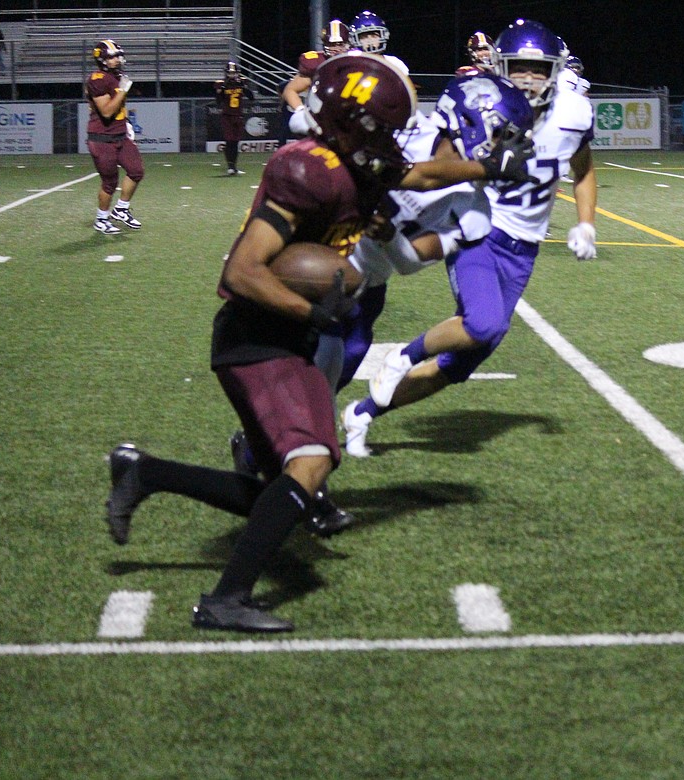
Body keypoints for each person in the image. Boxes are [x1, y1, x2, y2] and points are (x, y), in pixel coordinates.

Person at [104, 52, 536, 633]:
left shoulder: (351, 159)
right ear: (356, 125)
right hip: (260, 335)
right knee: (311, 461)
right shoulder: (307, 169)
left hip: (280, 335)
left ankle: (146, 474)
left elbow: (419, 176)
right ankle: (225, 599)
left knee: (280, 486)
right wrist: (314, 311)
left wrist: (487, 170)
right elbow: (242, 272)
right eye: (383, 129)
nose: (392, 142)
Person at [342, 19, 598, 455]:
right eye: (519, 67)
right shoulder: (481, 103)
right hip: (479, 228)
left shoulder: (574, 112)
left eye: (539, 69)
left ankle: (362, 413)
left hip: (525, 248)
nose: (529, 78)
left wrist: (586, 221)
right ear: (500, 65)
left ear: (558, 70)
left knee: (459, 363)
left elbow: (584, 168)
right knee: (483, 322)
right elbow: (434, 165)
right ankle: (400, 358)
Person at [85, 40, 144, 235]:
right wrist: (124, 89)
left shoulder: (115, 76)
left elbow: (118, 109)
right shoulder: (97, 79)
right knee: (109, 183)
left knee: (136, 171)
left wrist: (126, 124)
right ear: (102, 60)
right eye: (113, 56)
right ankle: (101, 219)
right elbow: (107, 111)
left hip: (120, 135)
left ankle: (121, 209)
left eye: (119, 55)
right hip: (102, 138)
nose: (118, 59)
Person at [282, 19, 349, 137]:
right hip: (323, 120)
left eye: (340, 44)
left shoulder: (356, 60)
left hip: (350, 119)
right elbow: (289, 90)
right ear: (325, 44)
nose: (337, 49)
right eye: (332, 44)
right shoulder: (316, 64)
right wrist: (302, 112)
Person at [214, 61, 254, 175]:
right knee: (229, 140)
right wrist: (219, 92)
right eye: (230, 73)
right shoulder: (222, 84)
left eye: (234, 73)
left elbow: (251, 98)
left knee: (236, 142)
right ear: (226, 73)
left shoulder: (241, 83)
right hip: (227, 115)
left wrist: (244, 87)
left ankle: (234, 166)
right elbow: (218, 102)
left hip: (238, 115)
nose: (232, 75)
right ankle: (230, 166)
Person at [348, 10, 408, 75]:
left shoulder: (395, 63)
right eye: (364, 37)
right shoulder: (351, 64)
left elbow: (406, 84)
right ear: (355, 40)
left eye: (374, 36)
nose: (370, 40)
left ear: (383, 36)